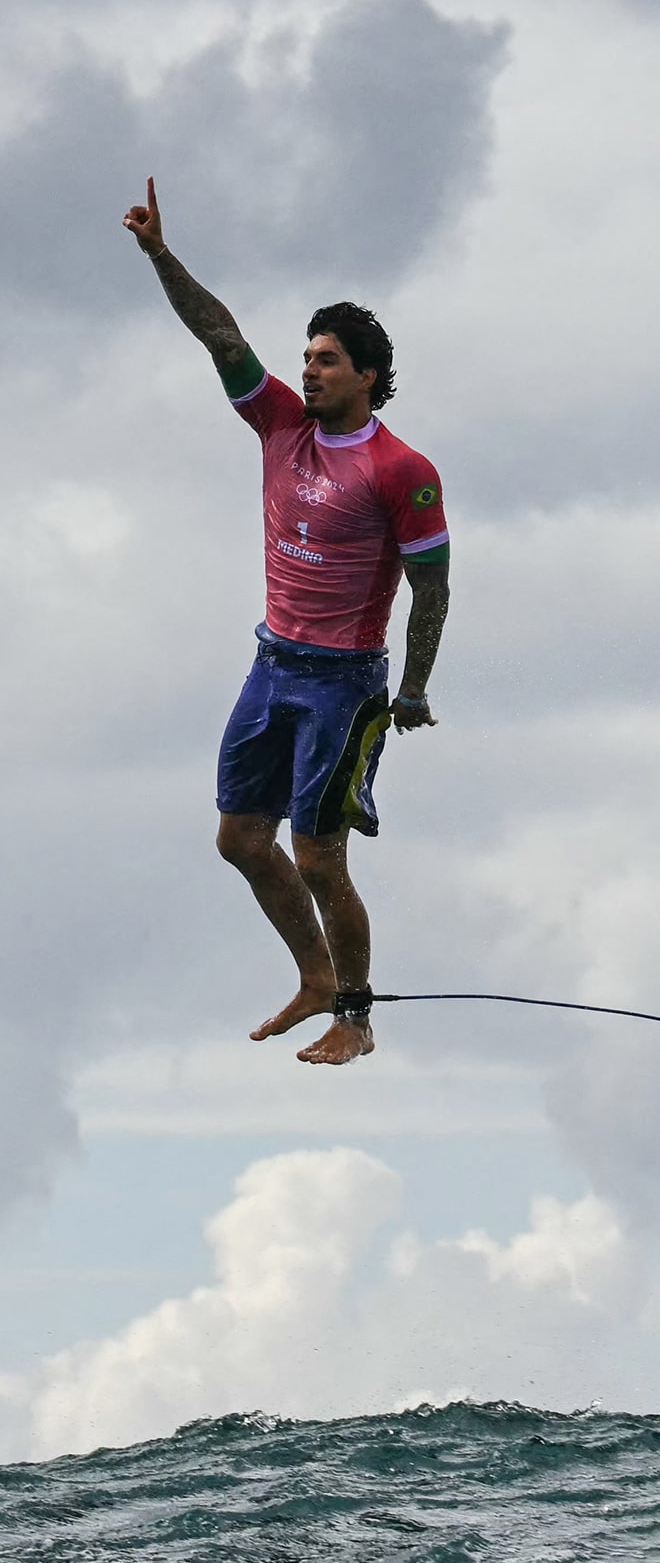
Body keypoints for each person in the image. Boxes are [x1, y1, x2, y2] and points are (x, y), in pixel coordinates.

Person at [122, 178, 450, 1067]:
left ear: (369, 377)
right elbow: (220, 334)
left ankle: (356, 1015)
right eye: (306, 357)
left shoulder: (401, 469)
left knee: (318, 856)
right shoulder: (279, 425)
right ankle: (313, 976)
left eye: (327, 360)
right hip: (272, 664)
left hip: (344, 684)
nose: (308, 370)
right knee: (239, 839)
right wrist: (159, 254)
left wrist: (413, 688)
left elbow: (433, 587)